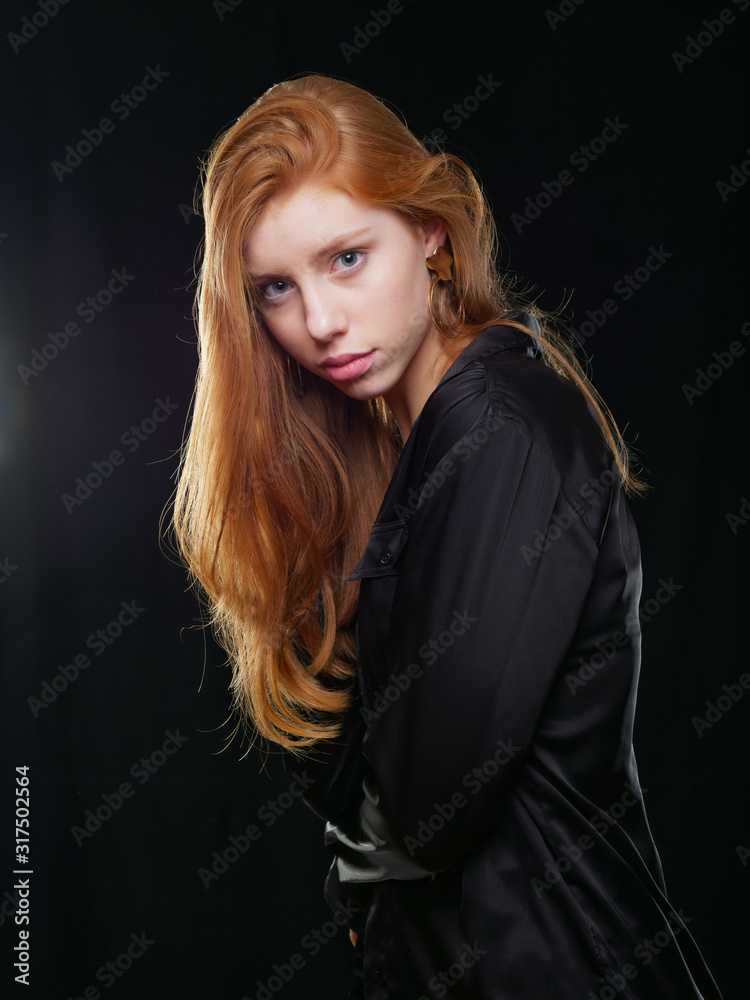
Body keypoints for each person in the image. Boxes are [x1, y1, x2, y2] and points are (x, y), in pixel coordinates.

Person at [173, 74, 723, 999]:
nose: (317, 322)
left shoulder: (499, 428)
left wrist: (370, 850)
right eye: (275, 288)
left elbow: (432, 808)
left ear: (429, 231)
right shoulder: (403, 445)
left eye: (346, 258)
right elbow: (346, 768)